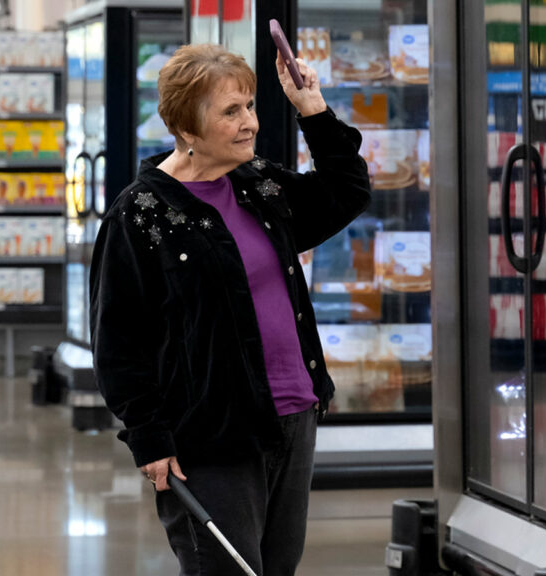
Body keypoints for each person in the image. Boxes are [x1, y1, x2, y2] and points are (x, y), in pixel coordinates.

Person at [89, 43, 370, 576]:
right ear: (187, 129)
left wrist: (312, 108)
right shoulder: (141, 215)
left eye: (250, 106)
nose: (251, 124)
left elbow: (346, 193)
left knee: (277, 567)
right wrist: (148, 437)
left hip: (296, 413)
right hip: (209, 435)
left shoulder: (258, 185)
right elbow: (117, 339)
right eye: (231, 111)